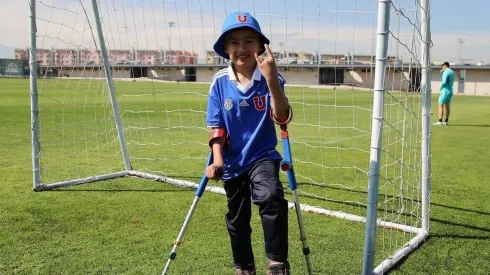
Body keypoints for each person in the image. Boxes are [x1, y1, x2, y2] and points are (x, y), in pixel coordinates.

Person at [205, 11, 293, 275]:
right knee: (237, 219)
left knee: (271, 196)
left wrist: (271, 79)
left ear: (260, 46)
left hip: (263, 155)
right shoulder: (219, 82)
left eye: (249, 41)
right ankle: (244, 267)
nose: (241, 48)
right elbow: (216, 127)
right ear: (225, 48)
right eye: (234, 42)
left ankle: (277, 263)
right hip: (232, 161)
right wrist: (218, 159)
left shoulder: (271, 77)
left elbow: (281, 116)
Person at [434, 62, 455, 126]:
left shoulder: (446, 72)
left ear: (445, 66)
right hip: (450, 90)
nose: (442, 67)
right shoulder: (452, 72)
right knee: (447, 106)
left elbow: (444, 81)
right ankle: (446, 121)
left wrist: (440, 88)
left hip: (445, 91)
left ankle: (440, 121)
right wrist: (442, 72)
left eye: (442, 66)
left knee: (440, 105)